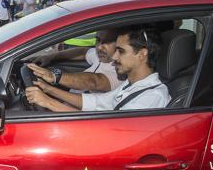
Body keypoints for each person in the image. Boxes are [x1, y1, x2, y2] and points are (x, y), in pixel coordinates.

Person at [25, 27, 170, 112]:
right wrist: (48, 90)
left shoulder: (152, 97)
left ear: (142, 54)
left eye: (121, 51)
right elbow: (95, 102)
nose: (114, 57)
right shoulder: (132, 85)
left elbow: (108, 130)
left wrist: (49, 102)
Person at [29, 29, 122, 93]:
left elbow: (94, 81)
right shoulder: (102, 57)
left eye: (107, 42)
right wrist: (50, 57)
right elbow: (83, 51)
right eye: (98, 40)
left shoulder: (120, 70)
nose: (99, 47)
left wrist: (54, 75)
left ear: (120, 43)